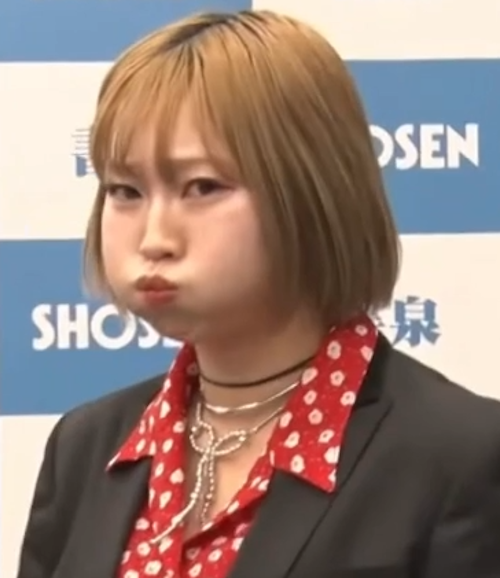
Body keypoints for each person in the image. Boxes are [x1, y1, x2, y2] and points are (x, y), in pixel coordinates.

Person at [16, 9, 500, 578]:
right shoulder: (85, 448)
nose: (153, 238)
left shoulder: (459, 456)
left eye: (202, 187)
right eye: (125, 191)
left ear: (314, 191)